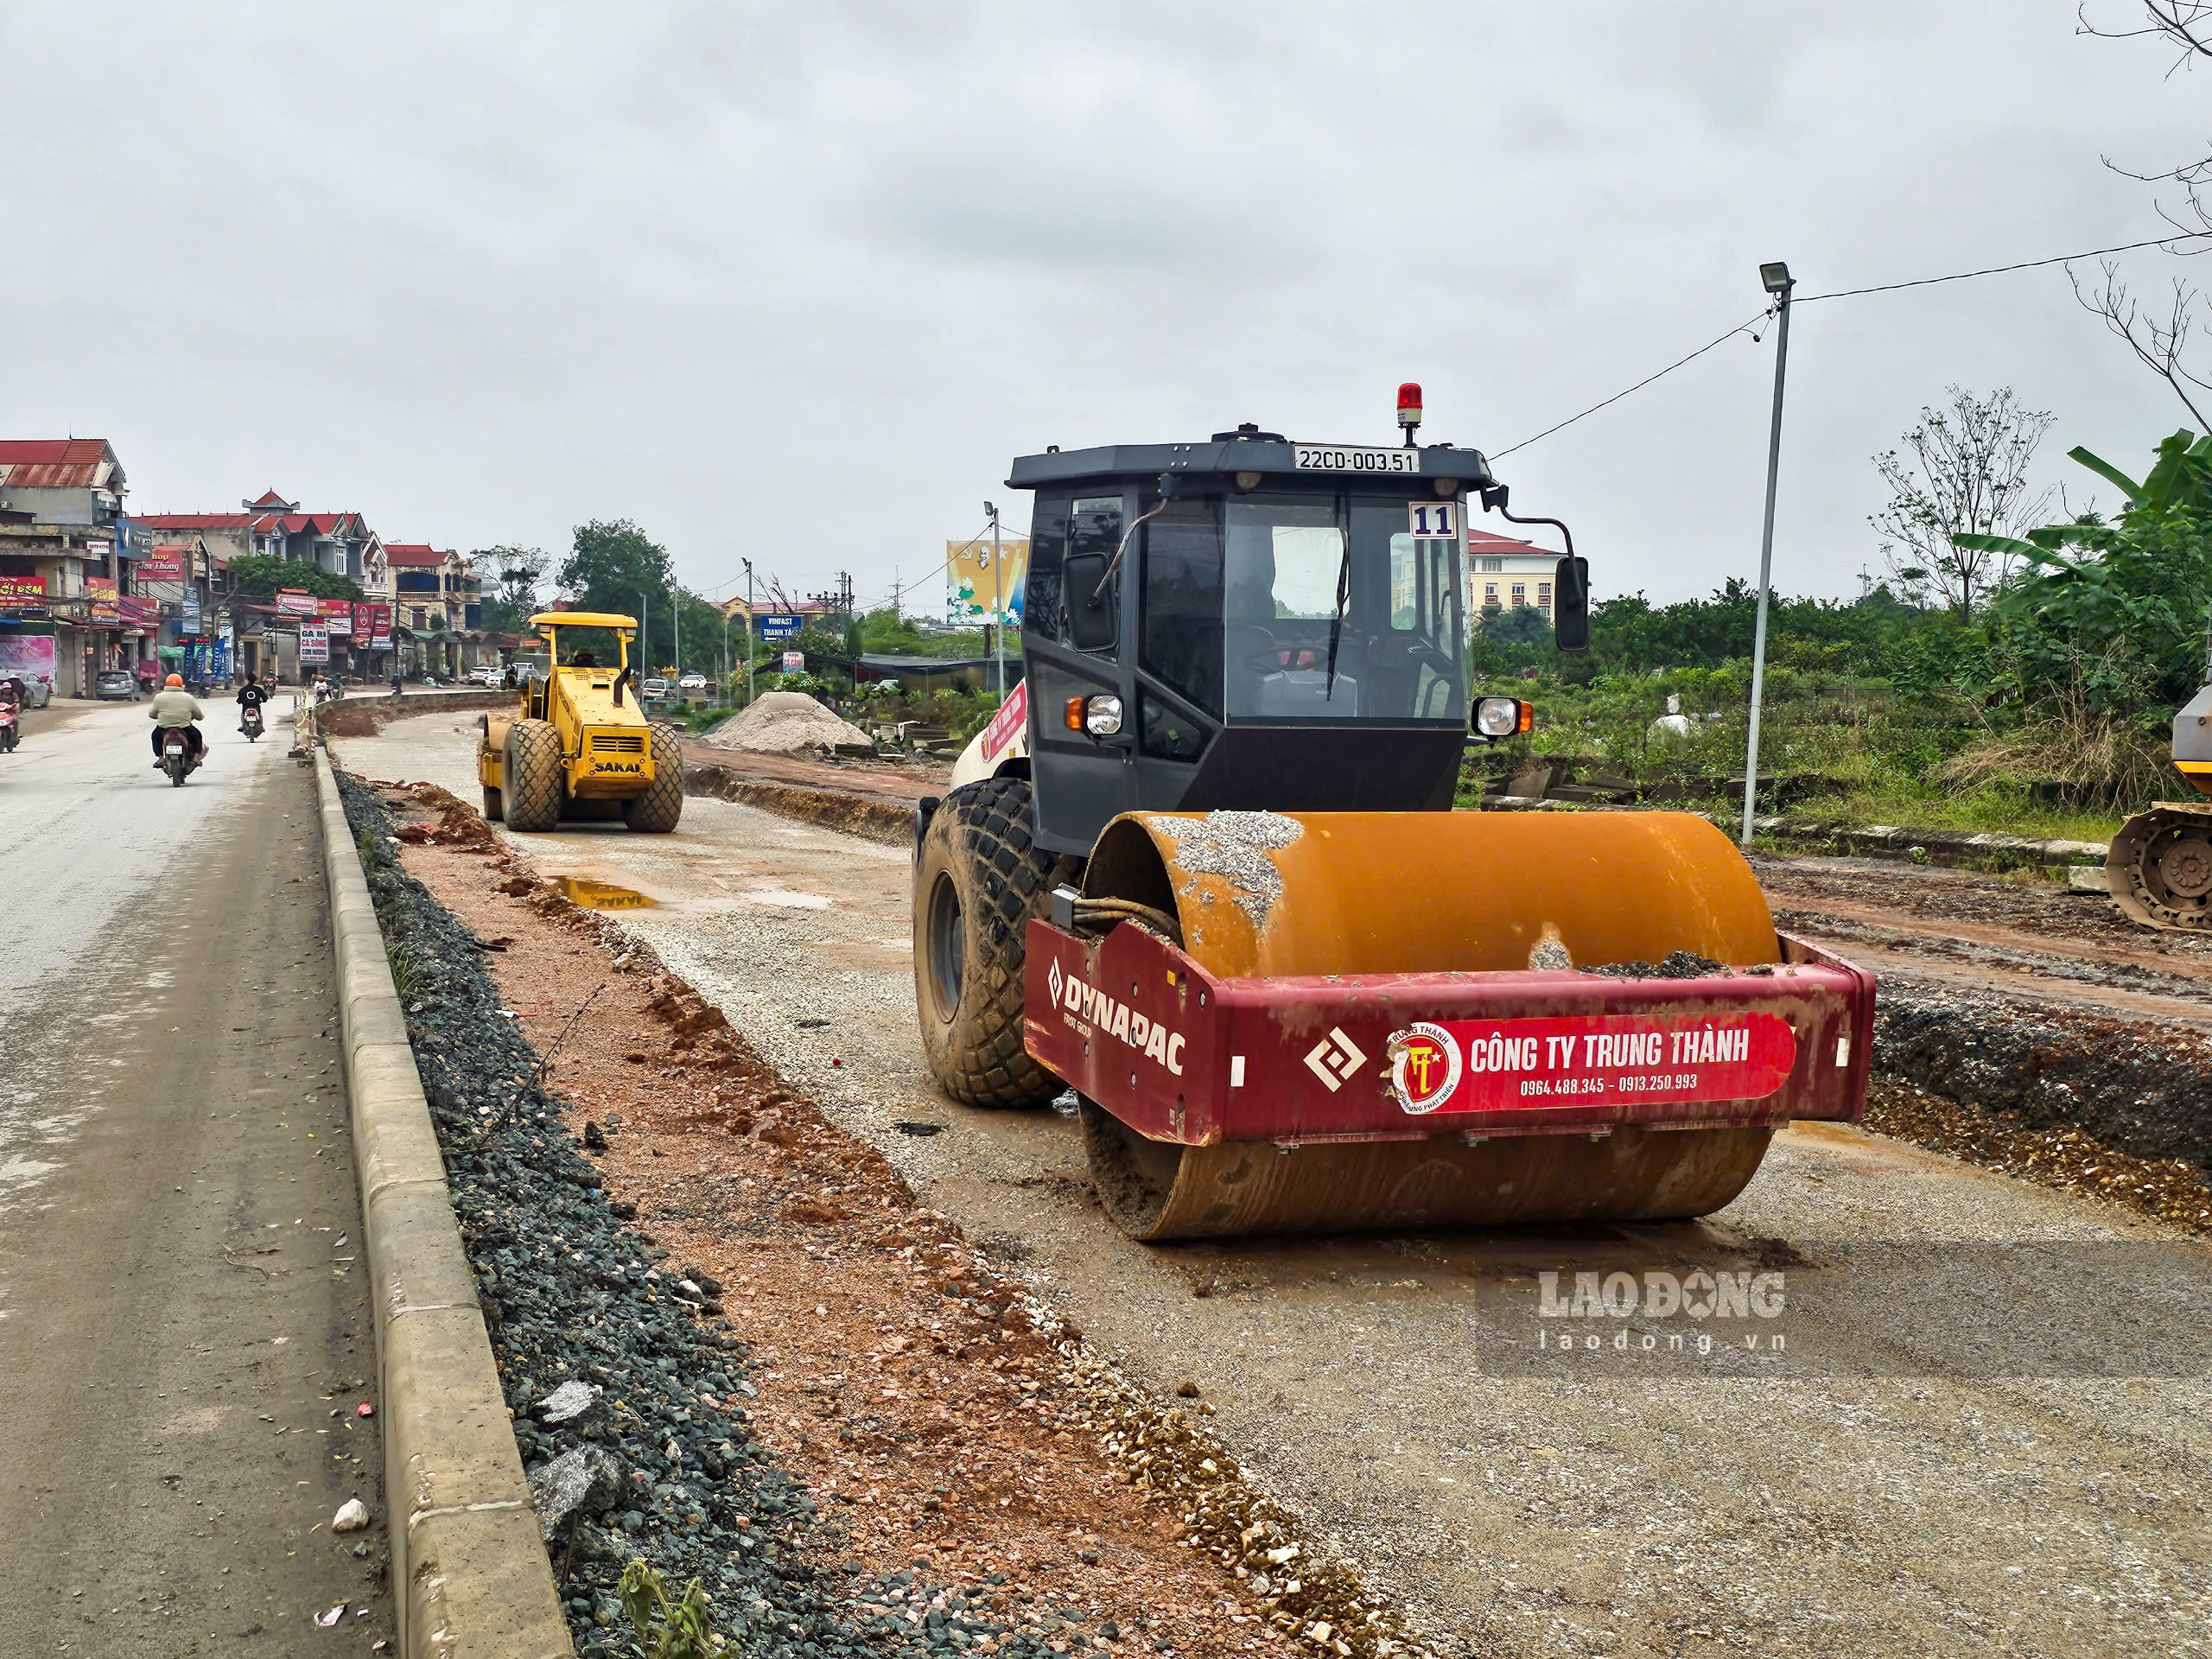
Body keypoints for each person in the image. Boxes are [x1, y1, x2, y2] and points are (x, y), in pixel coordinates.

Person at [148, 672, 207, 770]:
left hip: (164, 728)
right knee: (197, 736)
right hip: (184, 728)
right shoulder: (188, 698)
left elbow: (152, 715)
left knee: (155, 736)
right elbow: (200, 716)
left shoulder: (159, 697)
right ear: (181, 684)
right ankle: (196, 757)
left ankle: (161, 758)